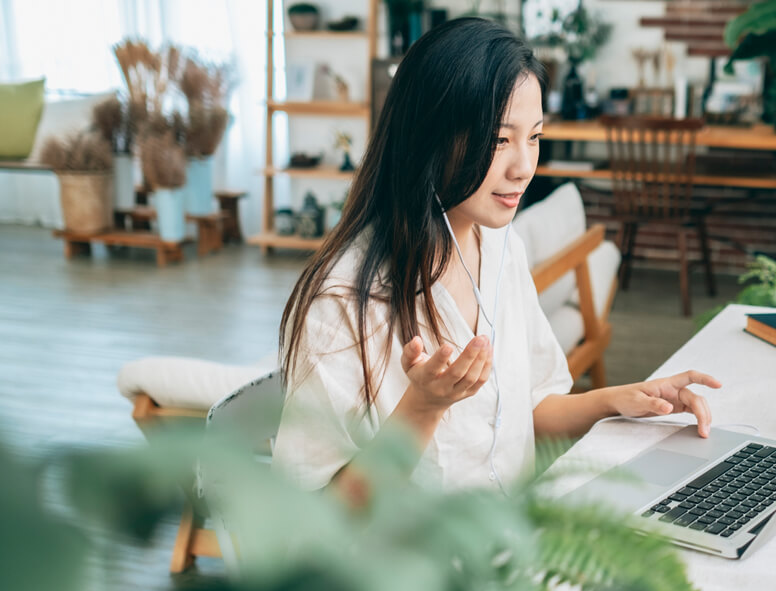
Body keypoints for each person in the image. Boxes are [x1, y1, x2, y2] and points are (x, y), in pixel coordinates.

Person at [272, 18, 720, 498]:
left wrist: (621, 400)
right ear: (429, 136)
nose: (524, 166)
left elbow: (524, 414)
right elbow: (318, 515)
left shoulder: (501, 248)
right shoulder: (342, 301)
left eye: (534, 136)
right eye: (499, 139)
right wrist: (422, 408)